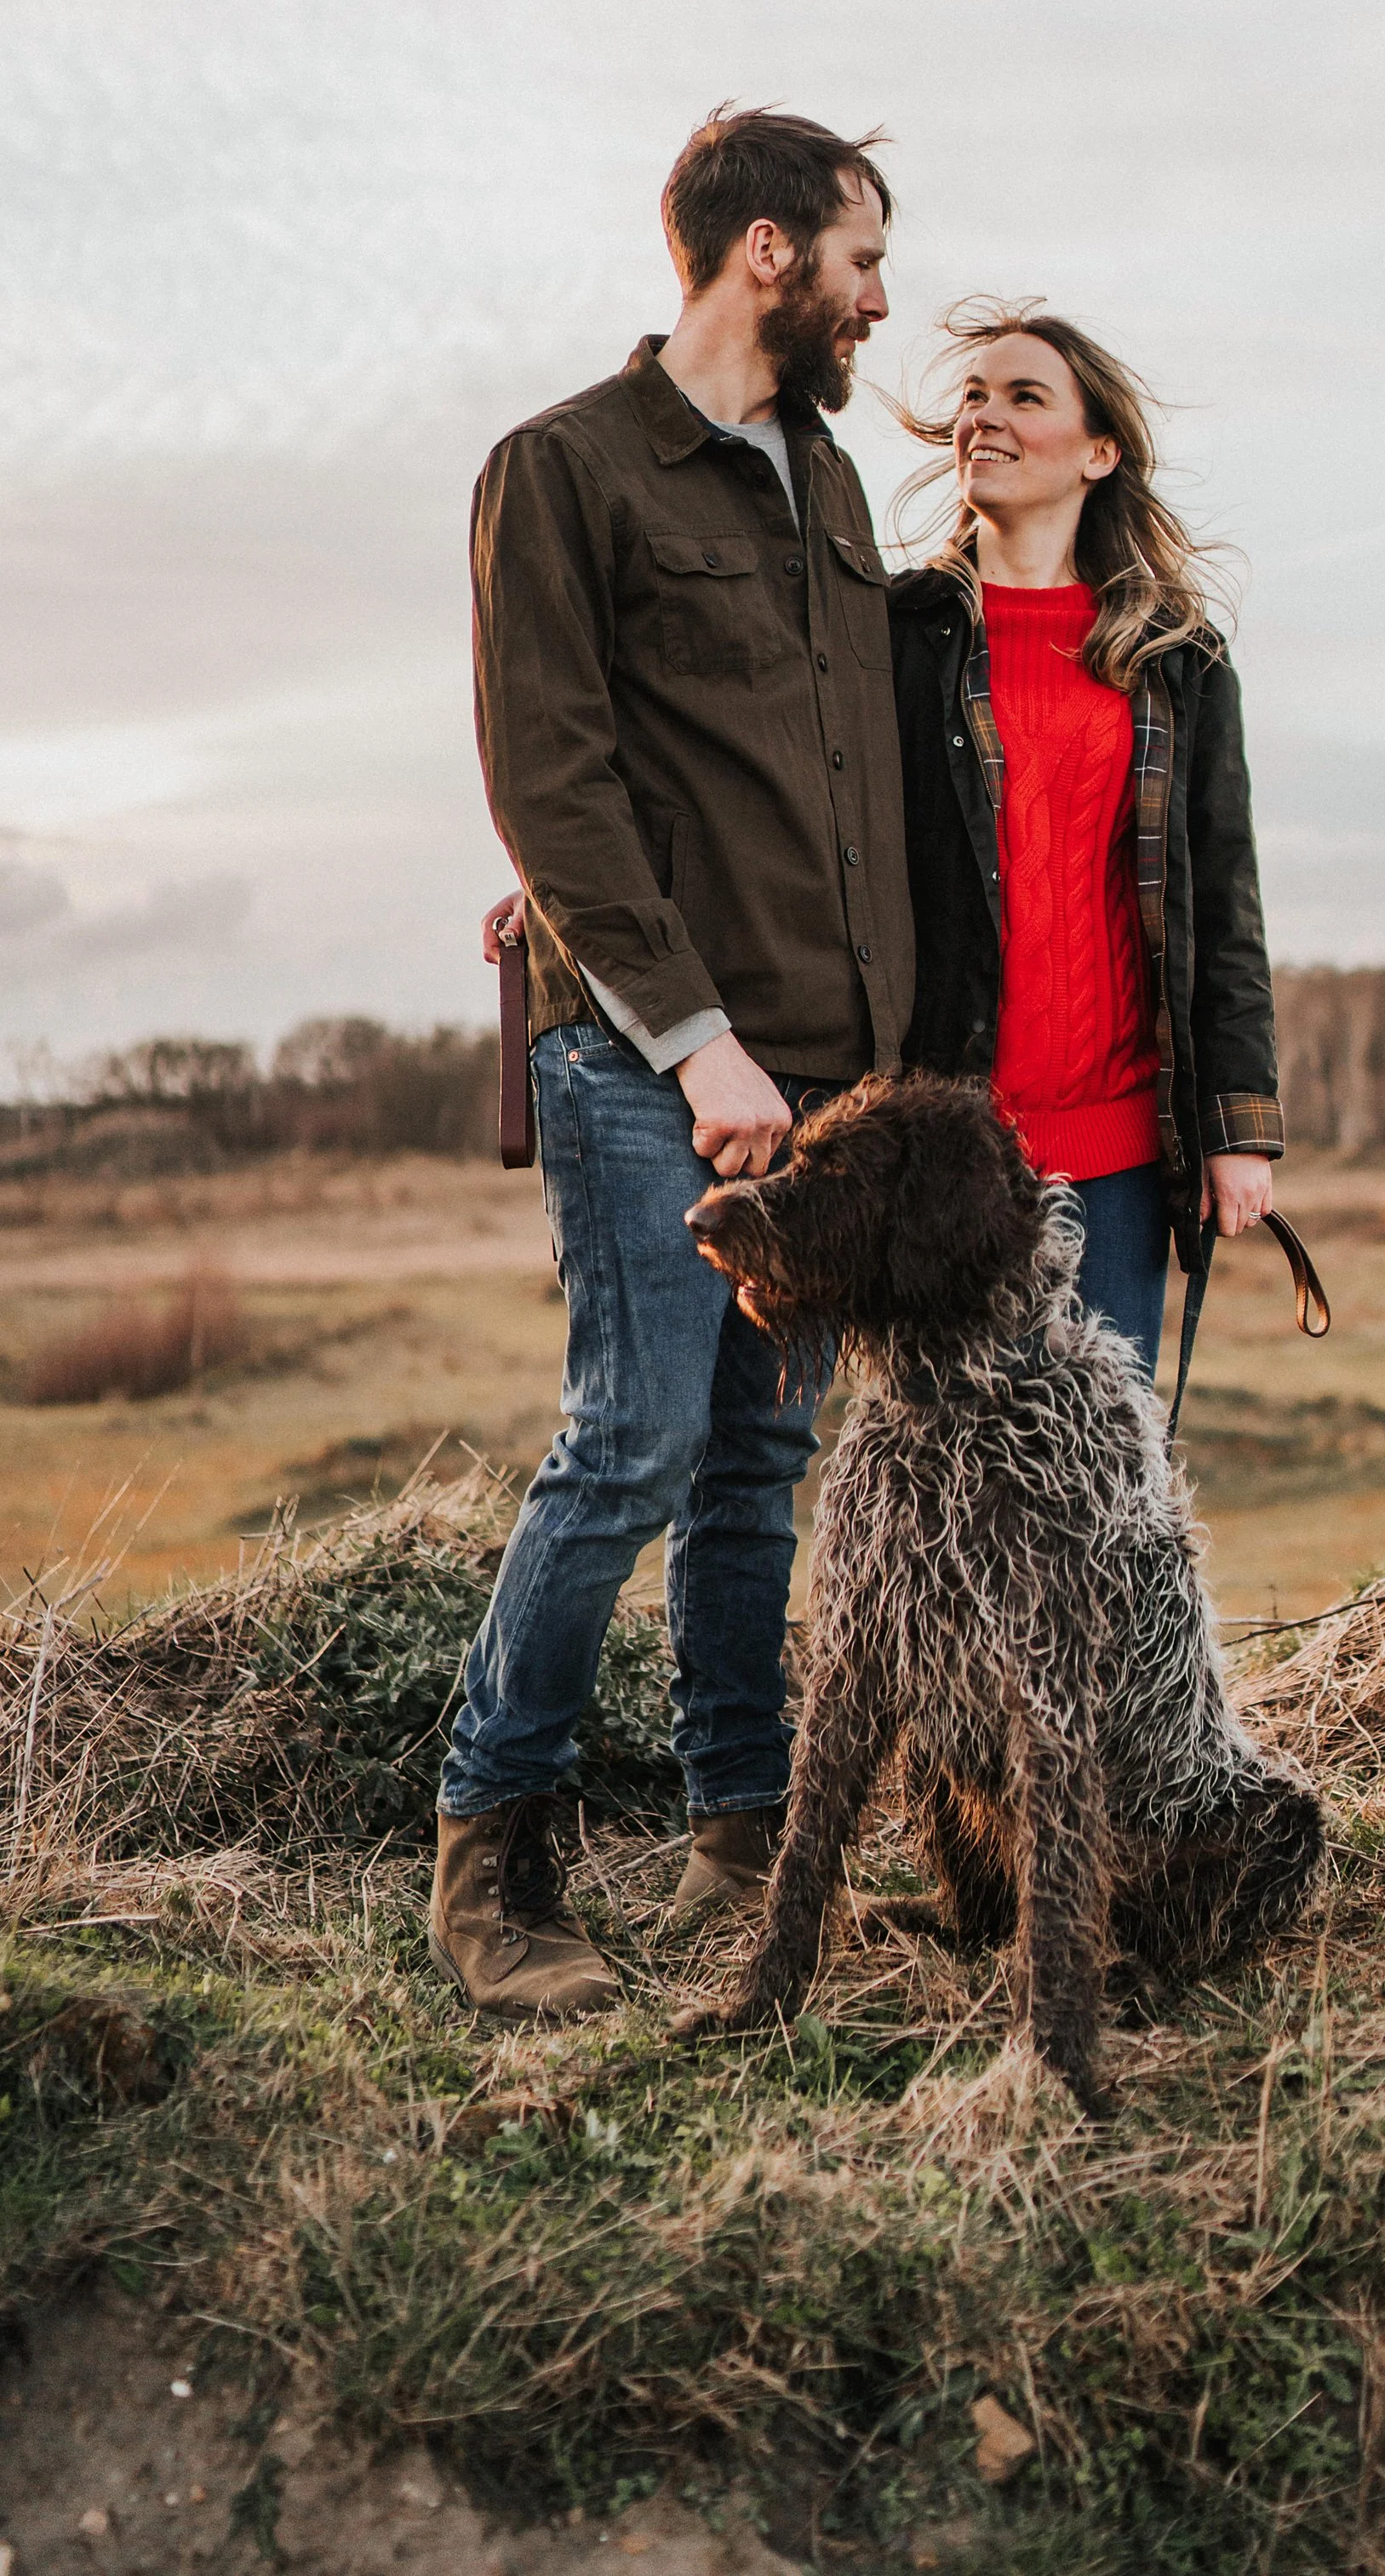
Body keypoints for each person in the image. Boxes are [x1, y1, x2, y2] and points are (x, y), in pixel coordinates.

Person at [440, 106, 914, 2021]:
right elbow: (546, 772)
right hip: (646, 1057)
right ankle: (492, 1844)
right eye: (863, 255)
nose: (883, 297)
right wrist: (698, 1040)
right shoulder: (558, 470)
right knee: (631, 1440)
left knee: (756, 1463)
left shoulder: (831, 490)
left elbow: (849, 790)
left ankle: (740, 1825)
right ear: (771, 252)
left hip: (816, 1071)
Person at [888, 300, 1281, 1384]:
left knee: (1098, 1491)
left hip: (1114, 1153)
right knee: (947, 1479)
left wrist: (1235, 1125)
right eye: (974, 395)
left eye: (1025, 397)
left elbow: (1224, 902)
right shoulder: (895, 636)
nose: (986, 418)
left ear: (1097, 450)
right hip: (946, 1147)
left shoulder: (1174, 660)